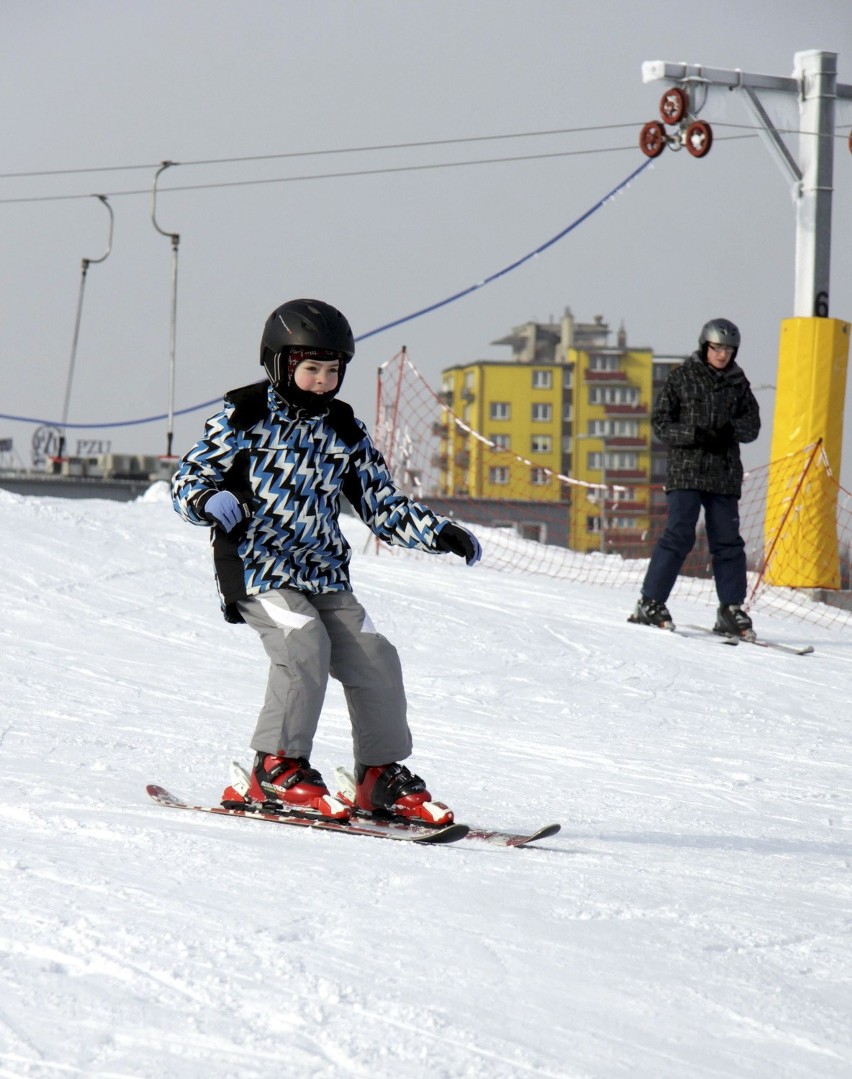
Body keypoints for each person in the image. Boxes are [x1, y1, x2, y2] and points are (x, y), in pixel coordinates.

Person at [171, 298, 481, 824]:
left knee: (375, 655)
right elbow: (189, 479)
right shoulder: (243, 417)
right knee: (302, 642)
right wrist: (205, 500)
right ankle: (275, 766)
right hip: (257, 567)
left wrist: (438, 532)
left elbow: (380, 502)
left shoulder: (344, 430)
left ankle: (379, 776)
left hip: (323, 573)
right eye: (310, 368)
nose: (321, 381)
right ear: (279, 365)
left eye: (332, 371)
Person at [628, 317, 761, 637]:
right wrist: (695, 433)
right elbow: (660, 423)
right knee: (680, 533)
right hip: (686, 471)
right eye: (717, 348)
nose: (722, 355)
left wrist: (730, 430)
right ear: (705, 347)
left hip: (723, 475)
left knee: (727, 541)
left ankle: (731, 608)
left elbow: (752, 426)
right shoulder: (683, 378)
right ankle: (651, 601)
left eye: (728, 350)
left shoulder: (739, 384)